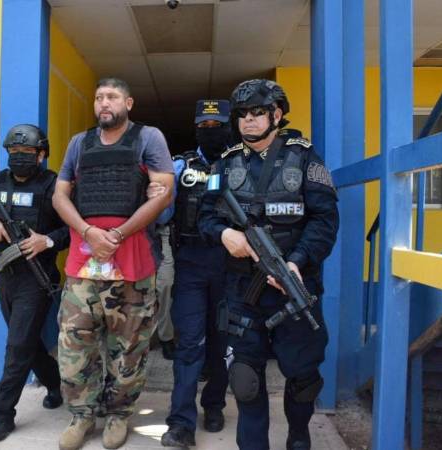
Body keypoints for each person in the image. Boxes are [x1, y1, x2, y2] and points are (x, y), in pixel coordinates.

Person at [198, 79, 339, 450]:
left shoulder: (306, 158)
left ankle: (297, 434)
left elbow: (325, 220)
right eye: (242, 114)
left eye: (257, 113)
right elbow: (205, 217)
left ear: (277, 114)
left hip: (295, 284)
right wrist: (224, 235)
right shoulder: (224, 164)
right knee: (244, 378)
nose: (248, 121)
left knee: (303, 377)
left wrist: (297, 261)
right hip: (242, 290)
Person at [52, 77, 174, 450]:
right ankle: (82, 414)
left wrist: (117, 235)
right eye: (99, 97)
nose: (104, 103)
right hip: (82, 266)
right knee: (75, 347)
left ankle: (119, 415)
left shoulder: (148, 137)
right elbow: (60, 195)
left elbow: (164, 191)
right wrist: (89, 233)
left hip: (133, 266)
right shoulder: (79, 143)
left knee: (129, 349)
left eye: (112, 97)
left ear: (129, 103)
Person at [0, 124, 69, 444]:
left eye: (27, 153)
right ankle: (53, 382)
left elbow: (73, 230)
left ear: (41, 154)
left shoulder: (54, 187)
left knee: (17, 346)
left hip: (37, 278)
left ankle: (0, 414)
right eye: (14, 152)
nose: (20, 158)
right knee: (25, 342)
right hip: (5, 276)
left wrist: (47, 241)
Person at [153, 99, 231, 447]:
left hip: (232, 266)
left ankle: (214, 404)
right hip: (191, 264)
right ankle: (181, 422)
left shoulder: (241, 163)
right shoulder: (181, 164)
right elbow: (162, 216)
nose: (210, 131)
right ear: (196, 126)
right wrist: (157, 198)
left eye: (217, 125)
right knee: (189, 345)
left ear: (229, 126)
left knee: (221, 343)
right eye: (204, 125)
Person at [154, 222, 176, 360]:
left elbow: (164, 216)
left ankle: (166, 337)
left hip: (165, 231)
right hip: (138, 233)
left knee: (166, 285)